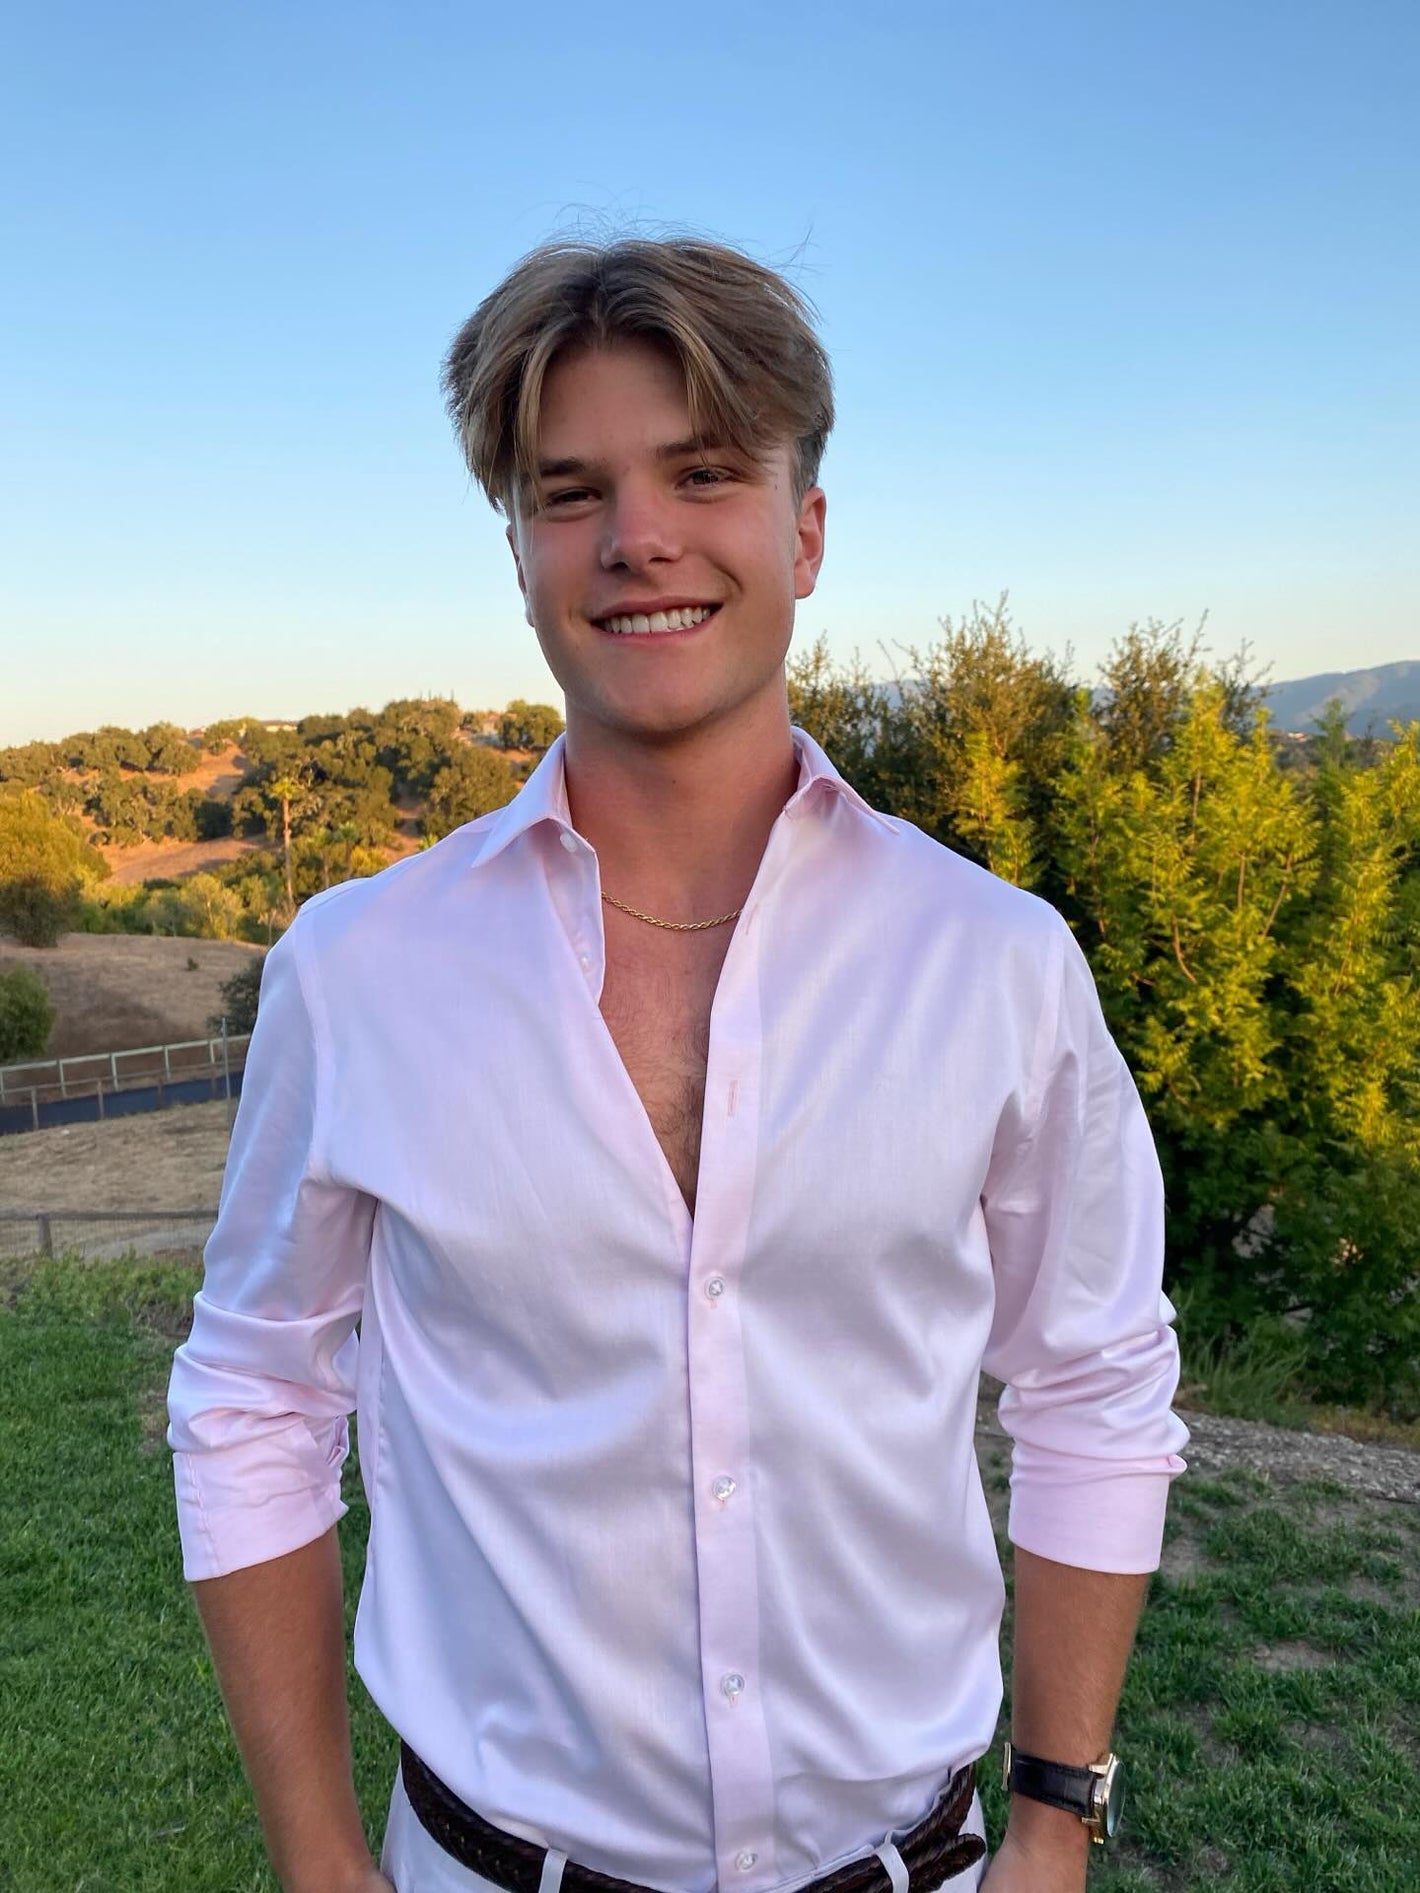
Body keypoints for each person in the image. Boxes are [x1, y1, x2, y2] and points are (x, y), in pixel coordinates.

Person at [167, 235, 1189, 1893]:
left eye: (702, 472)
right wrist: (315, 1855)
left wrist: (1055, 1822)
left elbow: (1093, 1379)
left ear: (805, 528)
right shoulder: (358, 974)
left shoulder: (996, 962)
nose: (636, 536)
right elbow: (252, 1397)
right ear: (518, 552)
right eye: (569, 491)